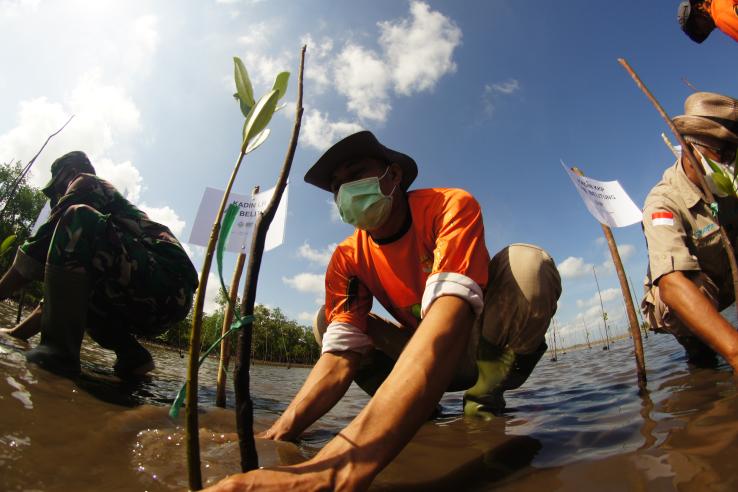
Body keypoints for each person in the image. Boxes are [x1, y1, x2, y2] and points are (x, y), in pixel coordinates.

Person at [205, 131, 561, 490]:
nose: (346, 191)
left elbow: (450, 315)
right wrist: (281, 432)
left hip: (484, 345)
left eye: (356, 174)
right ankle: (420, 413)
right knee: (327, 322)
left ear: (393, 176)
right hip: (423, 352)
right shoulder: (348, 257)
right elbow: (339, 358)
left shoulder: (448, 205)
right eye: (337, 186)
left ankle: (483, 404)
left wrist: (335, 471)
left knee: (527, 265)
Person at [0, 151, 198, 377]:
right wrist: (15, 335)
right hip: (161, 298)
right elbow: (60, 296)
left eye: (57, 188)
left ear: (72, 173)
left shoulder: (85, 181)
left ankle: (57, 356)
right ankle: (132, 356)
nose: (56, 196)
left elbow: (36, 251)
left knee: (77, 217)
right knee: (80, 290)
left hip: (168, 279)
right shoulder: (96, 243)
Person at [641, 92, 738, 370]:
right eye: (721, 153)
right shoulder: (663, 202)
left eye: (735, 152)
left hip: (729, 284)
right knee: (683, 287)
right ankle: (699, 351)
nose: (729, 163)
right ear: (688, 147)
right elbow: (672, 284)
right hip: (687, 300)